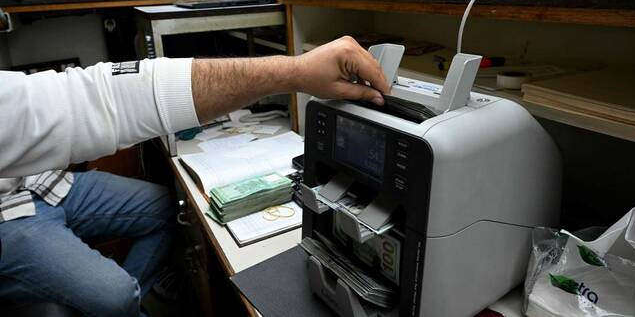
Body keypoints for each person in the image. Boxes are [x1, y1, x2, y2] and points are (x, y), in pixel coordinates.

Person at [0, 36, 389, 316]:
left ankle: (136, 294)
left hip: (39, 180)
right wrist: (294, 71)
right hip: (7, 212)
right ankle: (129, 303)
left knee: (166, 205)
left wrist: (296, 71)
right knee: (114, 296)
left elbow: (87, 99)